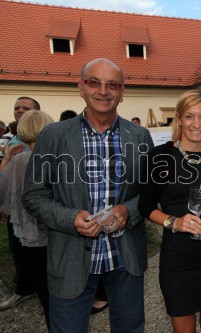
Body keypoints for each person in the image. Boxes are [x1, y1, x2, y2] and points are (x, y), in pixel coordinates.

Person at [22, 58, 154, 333]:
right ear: (81, 87)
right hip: (70, 256)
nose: (103, 91)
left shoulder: (139, 136)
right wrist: (71, 218)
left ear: (122, 92)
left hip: (124, 255)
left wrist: (128, 210)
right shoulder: (54, 135)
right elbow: (34, 195)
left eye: (112, 85)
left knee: (130, 328)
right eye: (94, 82)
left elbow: (150, 193)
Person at [139, 89, 201, 332]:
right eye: (189, 116)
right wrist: (174, 222)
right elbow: (145, 206)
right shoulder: (160, 157)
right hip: (177, 258)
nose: (196, 124)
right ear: (178, 119)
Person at [0, 110, 54, 328]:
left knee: (46, 295)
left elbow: (3, 198)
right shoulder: (59, 158)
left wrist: (6, 160)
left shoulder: (19, 161)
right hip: (60, 234)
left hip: (31, 239)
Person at [0, 97, 40, 311]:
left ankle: (37, 288)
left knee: (35, 251)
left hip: (33, 208)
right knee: (18, 249)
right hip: (14, 205)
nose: (20, 111)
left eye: (26, 108)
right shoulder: (12, 139)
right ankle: (24, 288)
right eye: (17, 107)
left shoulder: (41, 142)